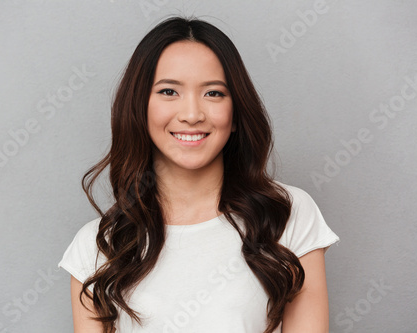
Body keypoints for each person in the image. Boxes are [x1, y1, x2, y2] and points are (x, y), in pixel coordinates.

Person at [58, 15, 340, 333]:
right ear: (139, 108)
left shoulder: (287, 216)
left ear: (235, 114)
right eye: (168, 91)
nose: (192, 114)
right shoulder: (96, 247)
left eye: (213, 93)